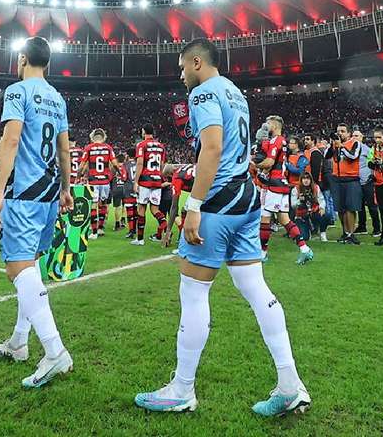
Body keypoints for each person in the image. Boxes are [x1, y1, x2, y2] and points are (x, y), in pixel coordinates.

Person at [135, 38, 309, 416]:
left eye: (182, 67)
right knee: (255, 287)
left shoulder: (202, 94)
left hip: (218, 201)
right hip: (246, 198)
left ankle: (181, 388)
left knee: (194, 292)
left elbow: (211, 149)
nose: (181, 76)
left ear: (197, 62)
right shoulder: (235, 92)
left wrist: (193, 205)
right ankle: (290, 382)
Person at [0, 36, 75, 388]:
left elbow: (10, 141)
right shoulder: (57, 98)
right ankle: (19, 342)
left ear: (22, 59)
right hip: (50, 191)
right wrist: (67, 188)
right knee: (31, 265)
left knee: (18, 268)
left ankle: (55, 352)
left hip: (23, 191)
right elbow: (64, 149)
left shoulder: (18, 91)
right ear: (49, 63)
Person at [256, 118, 313, 265]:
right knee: (284, 220)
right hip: (281, 184)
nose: (266, 126)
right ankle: (305, 249)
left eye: (268, 123)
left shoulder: (277, 140)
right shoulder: (281, 141)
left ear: (274, 125)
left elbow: (269, 162)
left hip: (273, 186)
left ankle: (262, 253)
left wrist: (254, 164)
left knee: (265, 219)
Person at [132, 125, 167, 246]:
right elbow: (162, 165)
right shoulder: (161, 146)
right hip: (157, 180)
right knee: (155, 209)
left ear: (143, 132)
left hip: (145, 180)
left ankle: (140, 239)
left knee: (141, 208)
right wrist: (160, 178)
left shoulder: (141, 145)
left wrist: (136, 181)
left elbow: (140, 162)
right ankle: (165, 227)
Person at [329, 124, 362, 244]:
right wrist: (332, 145)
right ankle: (345, 232)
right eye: (338, 131)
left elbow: (353, 156)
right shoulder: (334, 144)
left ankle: (351, 233)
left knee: (350, 207)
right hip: (337, 179)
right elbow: (326, 156)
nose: (340, 134)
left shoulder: (355, 143)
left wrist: (341, 147)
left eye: (343, 131)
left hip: (351, 179)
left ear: (349, 133)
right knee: (340, 208)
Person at [82, 128, 117, 240]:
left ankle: (94, 232)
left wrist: (79, 176)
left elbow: (82, 166)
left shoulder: (88, 148)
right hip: (105, 181)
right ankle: (101, 228)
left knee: (93, 205)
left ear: (92, 137)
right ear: (103, 137)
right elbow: (115, 165)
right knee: (103, 204)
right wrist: (115, 175)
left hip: (93, 181)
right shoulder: (108, 148)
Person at [353, 129, 381, 238]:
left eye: (357, 135)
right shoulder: (351, 149)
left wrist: (372, 176)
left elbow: (372, 163)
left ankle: (377, 228)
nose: (355, 137)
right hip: (356, 181)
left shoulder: (367, 149)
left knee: (372, 205)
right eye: (353, 135)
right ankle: (362, 226)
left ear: (361, 137)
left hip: (367, 180)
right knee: (359, 206)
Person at [290, 172, 326, 255]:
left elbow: (322, 200)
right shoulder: (296, 189)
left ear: (311, 180)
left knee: (326, 215)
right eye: (304, 178)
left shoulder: (316, 187)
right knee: (305, 237)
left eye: (308, 178)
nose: (306, 180)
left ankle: (322, 233)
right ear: (301, 180)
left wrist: (322, 208)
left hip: (314, 212)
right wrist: (300, 201)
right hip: (301, 216)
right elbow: (293, 205)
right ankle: (309, 230)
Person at [303, 134, 330, 241]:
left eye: (308, 139)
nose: (305, 141)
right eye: (305, 139)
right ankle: (311, 229)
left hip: (313, 184)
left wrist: (312, 184)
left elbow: (315, 170)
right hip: (305, 183)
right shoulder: (307, 152)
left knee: (317, 207)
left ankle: (320, 230)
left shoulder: (315, 153)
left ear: (313, 141)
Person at [111, 151, 129, 231]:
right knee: (124, 205)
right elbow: (126, 178)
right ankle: (123, 219)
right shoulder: (126, 167)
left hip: (116, 189)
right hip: (125, 189)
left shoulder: (114, 168)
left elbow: (110, 178)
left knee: (117, 207)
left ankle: (117, 224)